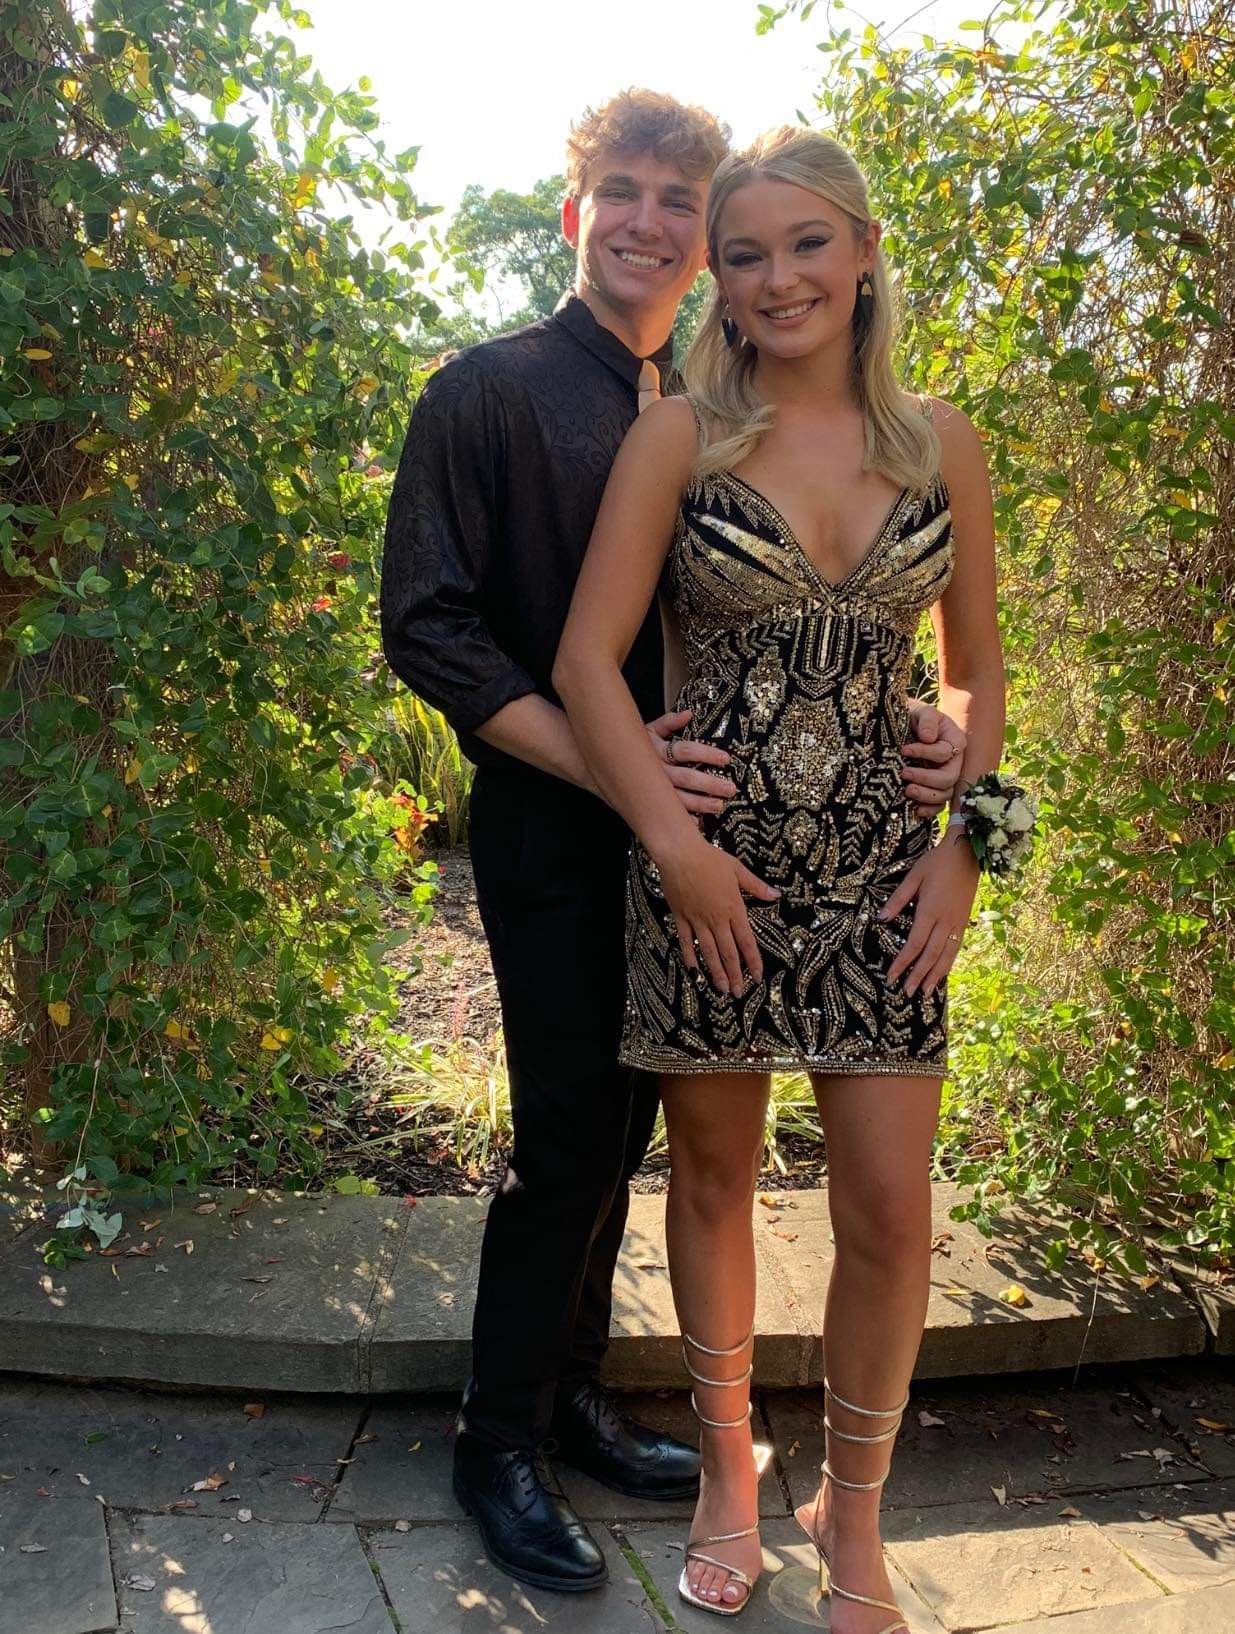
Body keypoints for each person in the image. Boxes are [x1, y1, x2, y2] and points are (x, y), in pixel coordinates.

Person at [380, 94, 969, 1597]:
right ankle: (496, 1435)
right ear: (575, 211)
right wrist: (626, 780)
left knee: (649, 1137)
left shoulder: (714, 395)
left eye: (675, 206)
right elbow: (433, 628)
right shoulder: (494, 393)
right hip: (570, 830)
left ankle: (577, 1398)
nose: (649, 225)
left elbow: (956, 666)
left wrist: (961, 784)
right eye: (621, 195)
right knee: (574, 1133)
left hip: (758, 846)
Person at [554, 125, 1005, 1623]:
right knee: (718, 1178)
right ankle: (731, 1471)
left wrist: (968, 854)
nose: (774, 276)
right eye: (742, 254)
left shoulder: (944, 444)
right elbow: (585, 667)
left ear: (865, 252)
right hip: (716, 883)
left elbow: (983, 680)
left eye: (805, 242)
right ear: (720, 286)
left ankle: (855, 1509)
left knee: (889, 1207)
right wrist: (673, 848)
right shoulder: (679, 436)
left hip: (892, 887)